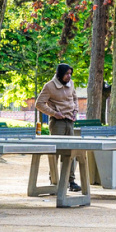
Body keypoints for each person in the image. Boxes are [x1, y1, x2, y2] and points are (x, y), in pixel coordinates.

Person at [36, 63, 81, 192]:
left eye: (70, 74)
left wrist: (75, 111)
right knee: (55, 152)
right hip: (57, 122)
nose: (69, 76)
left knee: (70, 152)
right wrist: (54, 113)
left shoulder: (71, 84)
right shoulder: (49, 86)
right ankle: (54, 180)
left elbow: (75, 98)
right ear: (60, 74)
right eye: (66, 74)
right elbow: (39, 103)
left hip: (70, 121)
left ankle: (71, 180)